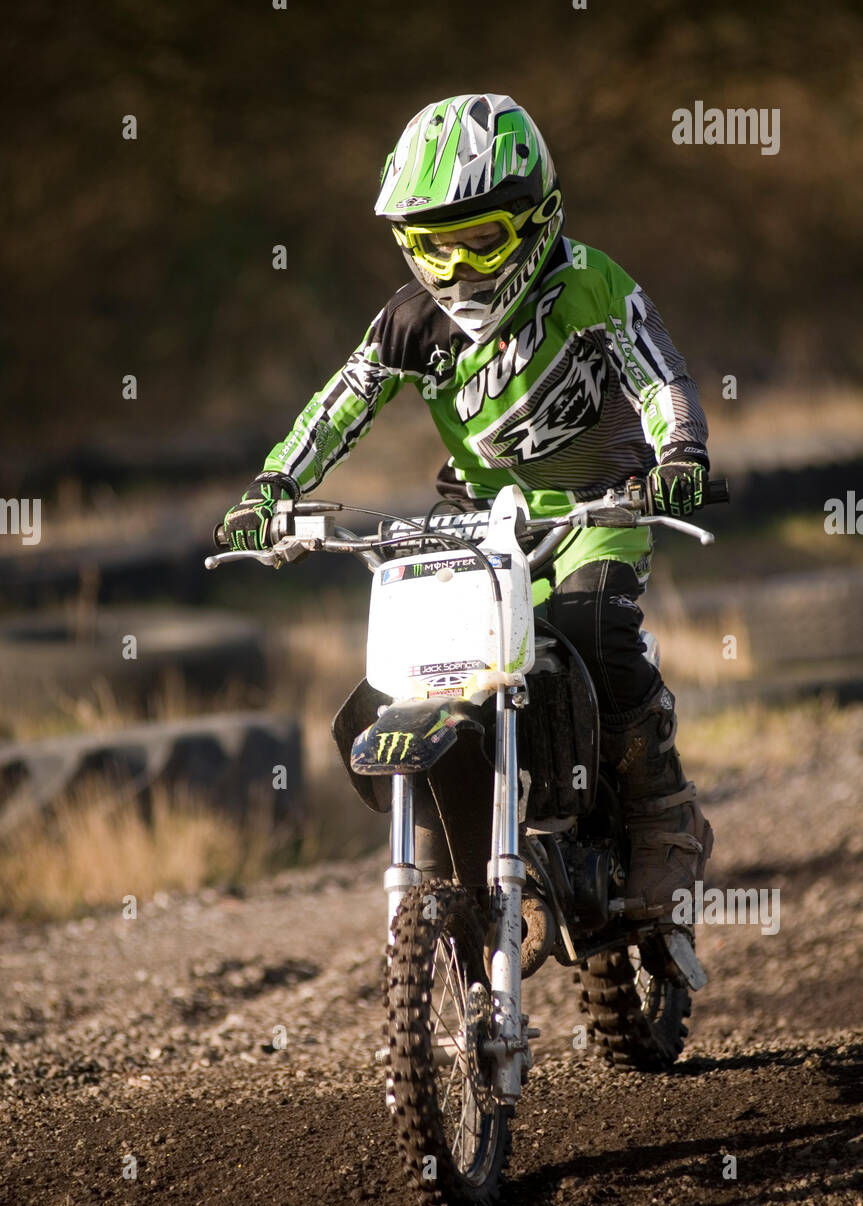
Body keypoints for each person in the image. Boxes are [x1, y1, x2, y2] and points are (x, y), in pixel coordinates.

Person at [220, 92, 713, 918]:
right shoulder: (409, 323)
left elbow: (660, 376)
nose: (455, 269)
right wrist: (273, 488)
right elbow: (338, 405)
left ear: (537, 218)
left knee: (598, 630)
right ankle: (462, 847)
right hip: (482, 526)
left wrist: (680, 456)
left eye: (480, 241)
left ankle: (664, 820)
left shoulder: (589, 284)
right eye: (433, 246)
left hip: (600, 509)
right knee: (421, 670)